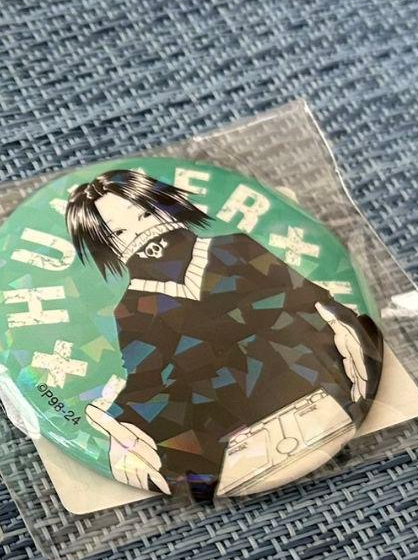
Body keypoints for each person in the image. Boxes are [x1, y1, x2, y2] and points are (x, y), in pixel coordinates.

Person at [65, 169, 383, 502]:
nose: (142, 232)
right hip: (233, 452)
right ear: (106, 248)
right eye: (119, 232)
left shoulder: (237, 249)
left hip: (319, 402)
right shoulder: (132, 309)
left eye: (146, 215)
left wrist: (346, 327)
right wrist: (121, 425)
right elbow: (147, 384)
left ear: (166, 207)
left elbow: (313, 304)